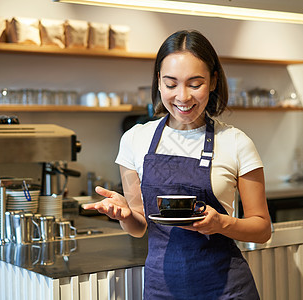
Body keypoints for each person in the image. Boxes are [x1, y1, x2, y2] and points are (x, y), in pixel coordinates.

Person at [84, 29, 272, 299]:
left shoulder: (235, 142)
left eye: (195, 84)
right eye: (171, 84)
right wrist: (125, 215)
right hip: (162, 288)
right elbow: (140, 227)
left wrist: (221, 224)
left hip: (227, 289)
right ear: (158, 82)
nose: (183, 97)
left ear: (214, 81)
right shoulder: (135, 139)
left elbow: (262, 228)